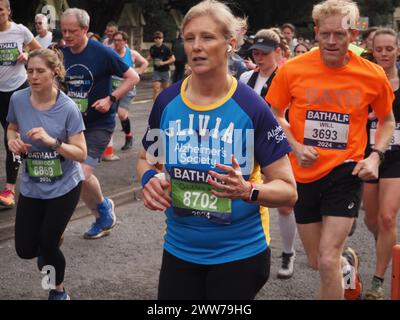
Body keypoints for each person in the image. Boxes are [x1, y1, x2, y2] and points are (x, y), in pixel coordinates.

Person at [137, 0, 297, 300]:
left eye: (207, 37)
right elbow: (147, 160)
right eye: (189, 38)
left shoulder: (252, 108)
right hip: (179, 250)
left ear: (230, 43)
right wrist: (149, 181)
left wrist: (247, 190)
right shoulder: (167, 103)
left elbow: (288, 191)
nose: (196, 46)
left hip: (240, 253)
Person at [266, 0, 395, 300]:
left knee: (326, 258)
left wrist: (375, 156)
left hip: (346, 170)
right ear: (316, 32)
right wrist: (295, 147)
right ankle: (346, 266)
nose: (332, 41)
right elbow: (274, 114)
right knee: (318, 262)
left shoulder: (372, 74)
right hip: (304, 173)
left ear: (352, 34)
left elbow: (387, 120)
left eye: (340, 34)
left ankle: (338, 265)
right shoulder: (294, 70)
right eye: (326, 34)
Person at [8, 48, 86, 300]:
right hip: (33, 184)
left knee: (47, 243)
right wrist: (13, 141)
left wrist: (52, 142)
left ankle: (57, 290)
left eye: (40, 71)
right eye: (29, 71)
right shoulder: (18, 100)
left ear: (55, 72)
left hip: (64, 186)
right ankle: (50, 241)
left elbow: (81, 153)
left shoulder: (68, 108)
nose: (33, 76)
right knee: (25, 249)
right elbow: (12, 128)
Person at [60, 8, 139, 239]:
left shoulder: (101, 52)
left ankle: (102, 209)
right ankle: (101, 214)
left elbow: (133, 77)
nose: (66, 35)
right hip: (71, 124)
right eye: (63, 30)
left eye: (72, 31)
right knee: (72, 176)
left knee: (81, 173)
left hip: (98, 123)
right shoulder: (61, 51)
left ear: (85, 29)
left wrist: (111, 98)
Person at [240, 29, 297, 280]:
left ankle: (287, 253)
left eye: (264, 53)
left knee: (285, 205)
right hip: (250, 150)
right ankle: (244, 250)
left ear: (278, 52)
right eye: (255, 53)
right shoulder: (244, 78)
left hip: (277, 147)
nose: (259, 57)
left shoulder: (288, 77)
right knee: (247, 195)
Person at [363, 28, 400, 300]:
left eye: (390, 48)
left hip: (397, 156)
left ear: (398, 49)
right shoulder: (364, 79)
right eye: (380, 49)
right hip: (369, 154)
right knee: (372, 219)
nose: (385, 54)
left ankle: (378, 279)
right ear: (372, 50)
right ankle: (385, 245)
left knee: (387, 218)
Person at [0, 0, 41, 209]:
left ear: (8, 11)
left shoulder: (20, 31)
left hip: (17, 90)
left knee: (12, 136)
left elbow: (39, 51)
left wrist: (27, 55)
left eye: (0, 9)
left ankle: (9, 190)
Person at [112, 31, 148, 150]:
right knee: (109, 114)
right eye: (115, 40)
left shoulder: (131, 53)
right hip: (113, 88)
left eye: (119, 40)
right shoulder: (110, 52)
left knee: (122, 114)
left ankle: (129, 136)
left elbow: (145, 62)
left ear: (125, 42)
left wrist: (138, 73)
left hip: (128, 88)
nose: (116, 43)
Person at [147, 31, 175, 101]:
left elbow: (173, 59)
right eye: (156, 38)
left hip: (165, 71)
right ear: (154, 39)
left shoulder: (166, 48)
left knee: (165, 91)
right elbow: (150, 56)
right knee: (156, 89)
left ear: (162, 39)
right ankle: (155, 107)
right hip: (156, 71)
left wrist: (164, 63)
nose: (158, 39)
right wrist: (144, 61)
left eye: (159, 38)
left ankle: (165, 105)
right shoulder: (152, 48)